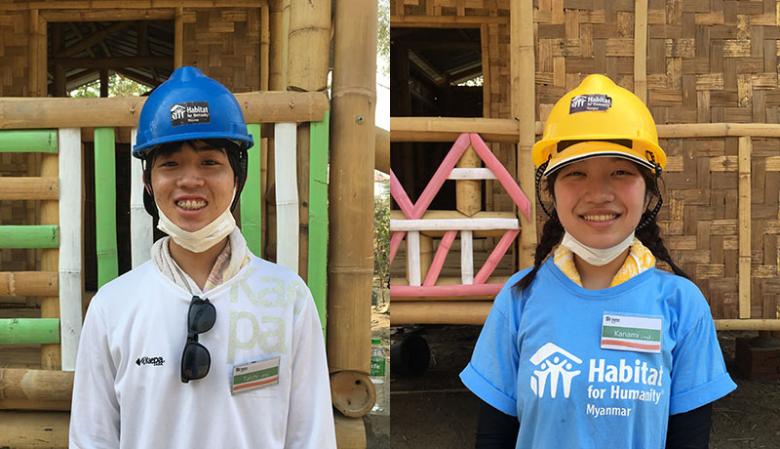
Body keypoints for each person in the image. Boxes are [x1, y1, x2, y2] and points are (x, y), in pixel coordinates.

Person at [460, 74, 736, 449]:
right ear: (551, 193)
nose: (599, 194)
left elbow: (689, 439)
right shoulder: (518, 299)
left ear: (649, 190)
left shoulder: (682, 305)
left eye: (621, 172)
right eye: (576, 173)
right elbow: (493, 436)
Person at [69, 66, 336, 449]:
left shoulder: (287, 298)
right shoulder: (113, 307)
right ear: (148, 182)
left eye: (210, 162)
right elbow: (91, 439)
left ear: (237, 177)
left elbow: (311, 437)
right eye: (170, 164)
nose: (190, 180)